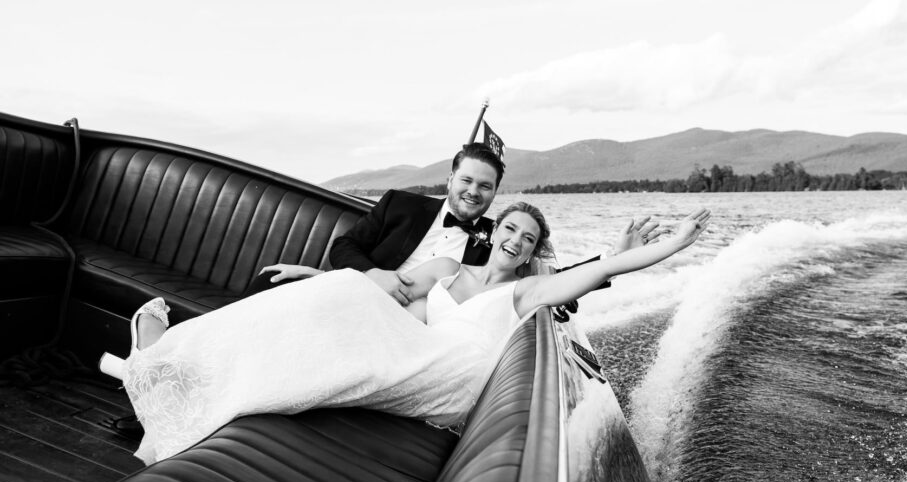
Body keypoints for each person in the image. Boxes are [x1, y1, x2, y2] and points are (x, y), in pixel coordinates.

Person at [112, 202, 711, 464]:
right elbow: (387, 286)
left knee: (345, 305)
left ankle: (170, 363)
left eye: (528, 239)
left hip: (455, 377)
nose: (515, 242)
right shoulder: (449, 269)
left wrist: (667, 246)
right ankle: (173, 360)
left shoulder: (526, 292)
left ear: (534, 253)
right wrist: (313, 276)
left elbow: (600, 271)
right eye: (510, 229)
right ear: (493, 231)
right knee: (343, 290)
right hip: (417, 353)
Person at [245, 143, 663, 305]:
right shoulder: (400, 204)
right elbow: (344, 248)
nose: (472, 192)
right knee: (271, 281)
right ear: (450, 180)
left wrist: (615, 257)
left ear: (494, 193)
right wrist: (375, 274)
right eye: (466, 181)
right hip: (360, 288)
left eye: (485, 186)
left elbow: (549, 282)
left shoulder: (493, 245)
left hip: (413, 319)